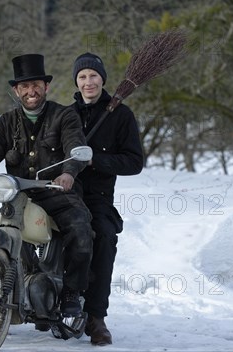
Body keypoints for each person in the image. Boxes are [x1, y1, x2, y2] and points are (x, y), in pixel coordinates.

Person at [0, 54, 94, 317]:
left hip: (57, 192)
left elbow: (75, 147)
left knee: (81, 232)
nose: (30, 91)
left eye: (35, 84)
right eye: (24, 86)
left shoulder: (64, 116)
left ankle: (71, 292)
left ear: (45, 86)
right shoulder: (6, 122)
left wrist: (68, 173)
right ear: (16, 90)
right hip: (18, 196)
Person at [71, 53, 144, 345]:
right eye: (82, 77)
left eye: (93, 76)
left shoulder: (121, 115)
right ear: (76, 82)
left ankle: (95, 317)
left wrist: (95, 161)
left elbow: (133, 162)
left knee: (103, 236)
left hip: (97, 199)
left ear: (103, 78)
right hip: (64, 192)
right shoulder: (66, 114)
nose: (88, 82)